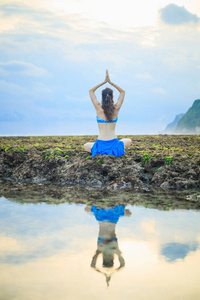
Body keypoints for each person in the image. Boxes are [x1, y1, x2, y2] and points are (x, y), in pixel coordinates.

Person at [84, 70, 132, 157]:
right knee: (128, 140)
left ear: (102, 97)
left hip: (101, 144)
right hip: (114, 144)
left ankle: (102, 151)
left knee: (86, 145)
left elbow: (91, 91)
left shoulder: (98, 108)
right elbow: (122, 92)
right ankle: (113, 151)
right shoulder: (116, 109)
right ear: (112, 97)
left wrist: (104, 82)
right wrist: (110, 82)